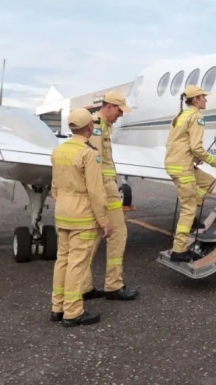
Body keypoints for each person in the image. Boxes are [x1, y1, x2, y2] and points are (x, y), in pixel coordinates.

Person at [50, 108, 112, 328]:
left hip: (63, 211)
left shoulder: (59, 150)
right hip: (82, 215)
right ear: (89, 127)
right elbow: (96, 191)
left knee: (63, 261)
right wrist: (104, 221)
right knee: (78, 263)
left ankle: (57, 307)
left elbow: (54, 187)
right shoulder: (88, 153)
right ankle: (73, 311)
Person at [81, 90, 139, 301]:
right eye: (119, 110)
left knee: (93, 238)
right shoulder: (96, 128)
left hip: (105, 190)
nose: (121, 115)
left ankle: (85, 286)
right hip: (104, 192)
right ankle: (112, 286)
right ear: (109, 107)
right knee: (116, 234)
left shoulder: (102, 126)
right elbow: (93, 165)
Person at [165, 85, 216, 262]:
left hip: (176, 162)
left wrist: (192, 157)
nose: (206, 100)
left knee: (208, 182)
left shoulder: (180, 116)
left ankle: (193, 215)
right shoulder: (196, 117)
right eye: (203, 97)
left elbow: (177, 142)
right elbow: (196, 147)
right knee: (188, 207)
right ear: (195, 100)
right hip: (182, 166)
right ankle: (179, 250)